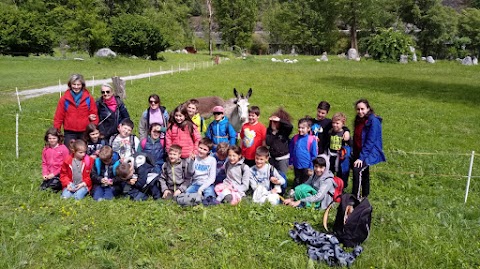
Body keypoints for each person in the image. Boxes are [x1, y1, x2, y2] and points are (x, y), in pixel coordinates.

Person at [352, 99, 385, 199]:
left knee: (357, 170)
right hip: (360, 151)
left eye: (362, 109)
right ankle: (365, 195)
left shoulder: (373, 121)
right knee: (364, 172)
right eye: (358, 109)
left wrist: (361, 158)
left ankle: (355, 197)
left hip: (370, 152)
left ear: (368, 109)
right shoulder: (358, 120)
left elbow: (370, 141)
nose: (360, 111)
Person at [53, 74, 98, 147]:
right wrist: (56, 132)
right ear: (70, 85)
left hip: (84, 132)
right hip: (69, 132)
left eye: (78, 84)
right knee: (69, 153)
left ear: (82, 85)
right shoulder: (64, 99)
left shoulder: (89, 98)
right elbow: (58, 117)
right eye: (74, 84)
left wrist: (93, 128)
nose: (76, 87)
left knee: (83, 153)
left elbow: (94, 114)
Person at [289, 118, 318, 189]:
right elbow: (291, 150)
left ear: (308, 129)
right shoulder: (295, 138)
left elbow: (314, 155)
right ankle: (295, 194)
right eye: (299, 127)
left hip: (306, 166)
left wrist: (311, 167)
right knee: (297, 180)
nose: (300, 129)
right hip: (296, 165)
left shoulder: (311, 140)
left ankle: (303, 196)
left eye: (303, 128)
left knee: (305, 182)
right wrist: (290, 162)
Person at [40, 127, 70, 192]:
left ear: (58, 138)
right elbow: (44, 163)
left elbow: (65, 165)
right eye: (50, 138)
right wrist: (45, 174)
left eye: (54, 138)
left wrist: (54, 174)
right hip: (49, 174)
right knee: (42, 188)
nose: (52, 140)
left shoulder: (63, 149)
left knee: (52, 186)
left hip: (60, 174)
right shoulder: (46, 149)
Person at [327, 112, 352, 189]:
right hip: (331, 155)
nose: (335, 125)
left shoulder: (344, 134)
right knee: (330, 171)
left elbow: (351, 145)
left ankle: (341, 188)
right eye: (333, 123)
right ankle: (330, 187)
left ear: (343, 123)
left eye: (337, 123)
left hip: (341, 158)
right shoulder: (330, 131)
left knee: (341, 173)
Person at [265, 108, 293, 176]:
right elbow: (268, 142)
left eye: (275, 122)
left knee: (282, 176)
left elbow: (290, 126)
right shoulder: (269, 131)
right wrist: (273, 132)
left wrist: (279, 120)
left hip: (283, 159)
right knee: (272, 176)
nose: (273, 124)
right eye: (272, 122)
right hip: (272, 158)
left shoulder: (284, 132)